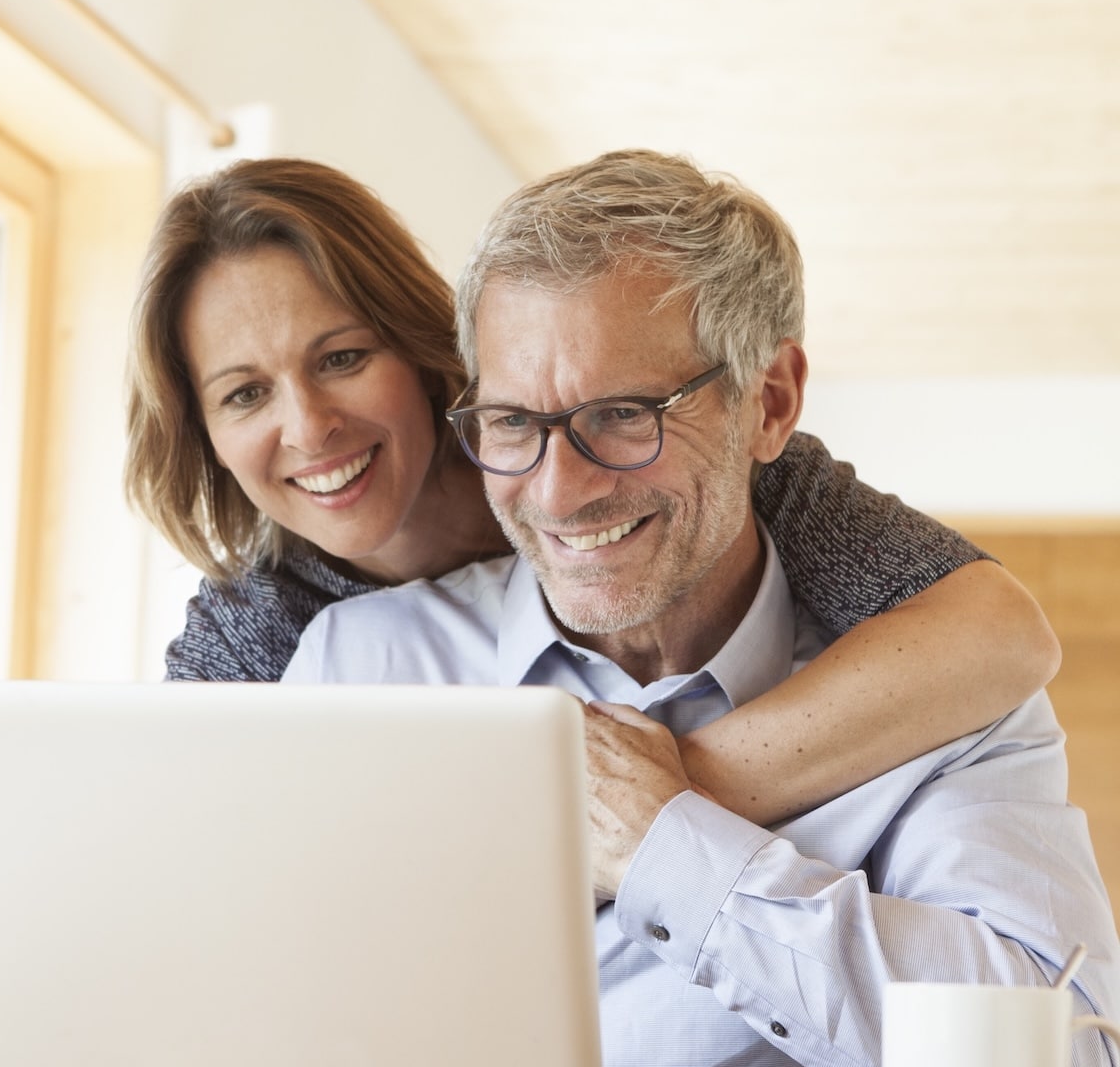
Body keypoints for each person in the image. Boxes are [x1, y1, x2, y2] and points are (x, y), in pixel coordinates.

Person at [282, 149, 1120, 1067]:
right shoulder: (364, 667)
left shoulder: (952, 708)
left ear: (769, 403)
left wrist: (672, 855)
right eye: (513, 423)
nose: (558, 492)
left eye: (623, 416)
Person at [124, 156, 1058, 824]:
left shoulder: (733, 477)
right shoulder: (263, 626)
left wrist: (653, 803)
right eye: (243, 393)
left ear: (422, 353)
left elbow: (1000, 634)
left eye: (342, 358)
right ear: (201, 431)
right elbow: (171, 837)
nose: (308, 426)